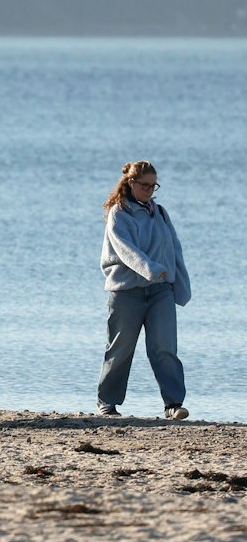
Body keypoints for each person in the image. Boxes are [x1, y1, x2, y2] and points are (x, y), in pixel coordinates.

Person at [97, 160, 191, 420]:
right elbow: (126, 250)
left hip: (161, 291)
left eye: (154, 186)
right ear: (131, 184)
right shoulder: (120, 213)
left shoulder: (159, 212)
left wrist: (180, 284)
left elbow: (174, 250)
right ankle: (108, 403)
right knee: (120, 349)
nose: (150, 191)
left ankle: (173, 404)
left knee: (164, 347)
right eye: (145, 186)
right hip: (126, 291)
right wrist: (149, 268)